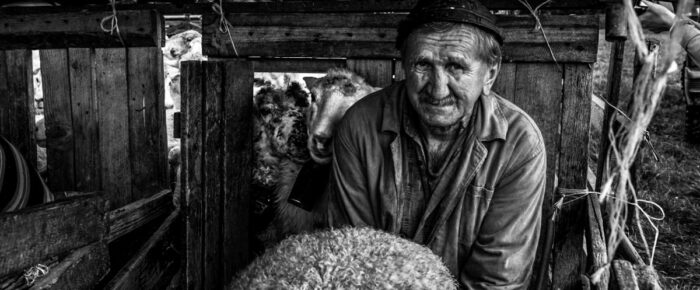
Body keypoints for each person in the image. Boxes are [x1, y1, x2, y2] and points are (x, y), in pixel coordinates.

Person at [325, 0, 547, 288]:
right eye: (423, 64)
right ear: (404, 65)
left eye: (456, 66)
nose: (437, 88)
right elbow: (353, 254)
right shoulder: (361, 126)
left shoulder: (519, 144)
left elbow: (495, 282)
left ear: (490, 73)